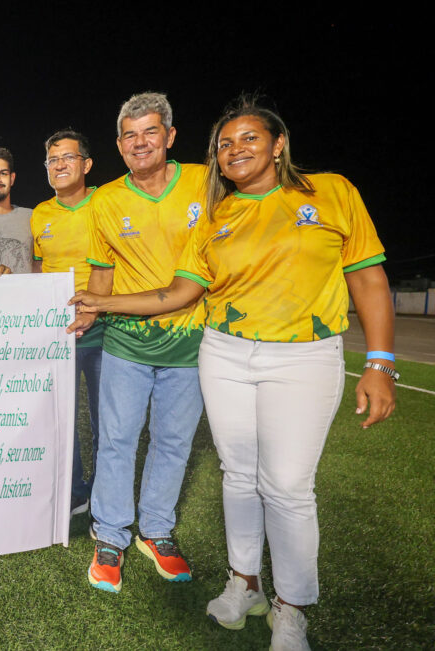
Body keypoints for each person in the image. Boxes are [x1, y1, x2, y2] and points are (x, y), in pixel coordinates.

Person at [70, 97, 395, 650]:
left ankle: (291, 605)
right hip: (221, 352)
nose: (236, 150)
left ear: (279, 143)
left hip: (292, 354)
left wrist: (380, 362)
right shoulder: (213, 212)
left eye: (249, 139)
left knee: (286, 485)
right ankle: (241, 581)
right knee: (236, 475)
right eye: (226, 143)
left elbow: (367, 277)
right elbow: (178, 288)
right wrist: (99, 306)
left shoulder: (323, 192)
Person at [82, 93, 208, 593]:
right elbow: (102, 272)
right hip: (127, 343)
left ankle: (156, 530)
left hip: (190, 341)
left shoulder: (205, 182)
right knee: (117, 440)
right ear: (118, 144)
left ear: (170, 136)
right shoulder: (106, 200)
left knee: (173, 441)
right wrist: (90, 310)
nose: (140, 143)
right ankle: (110, 535)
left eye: (150, 132)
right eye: (130, 135)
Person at [30, 129, 104, 518]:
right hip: (59, 331)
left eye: (68, 158)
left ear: (86, 164)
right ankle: (75, 491)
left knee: (106, 419)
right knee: (62, 418)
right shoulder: (40, 214)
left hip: (105, 327)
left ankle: (104, 495)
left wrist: (95, 309)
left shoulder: (107, 201)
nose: (59, 165)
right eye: (52, 160)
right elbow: (39, 267)